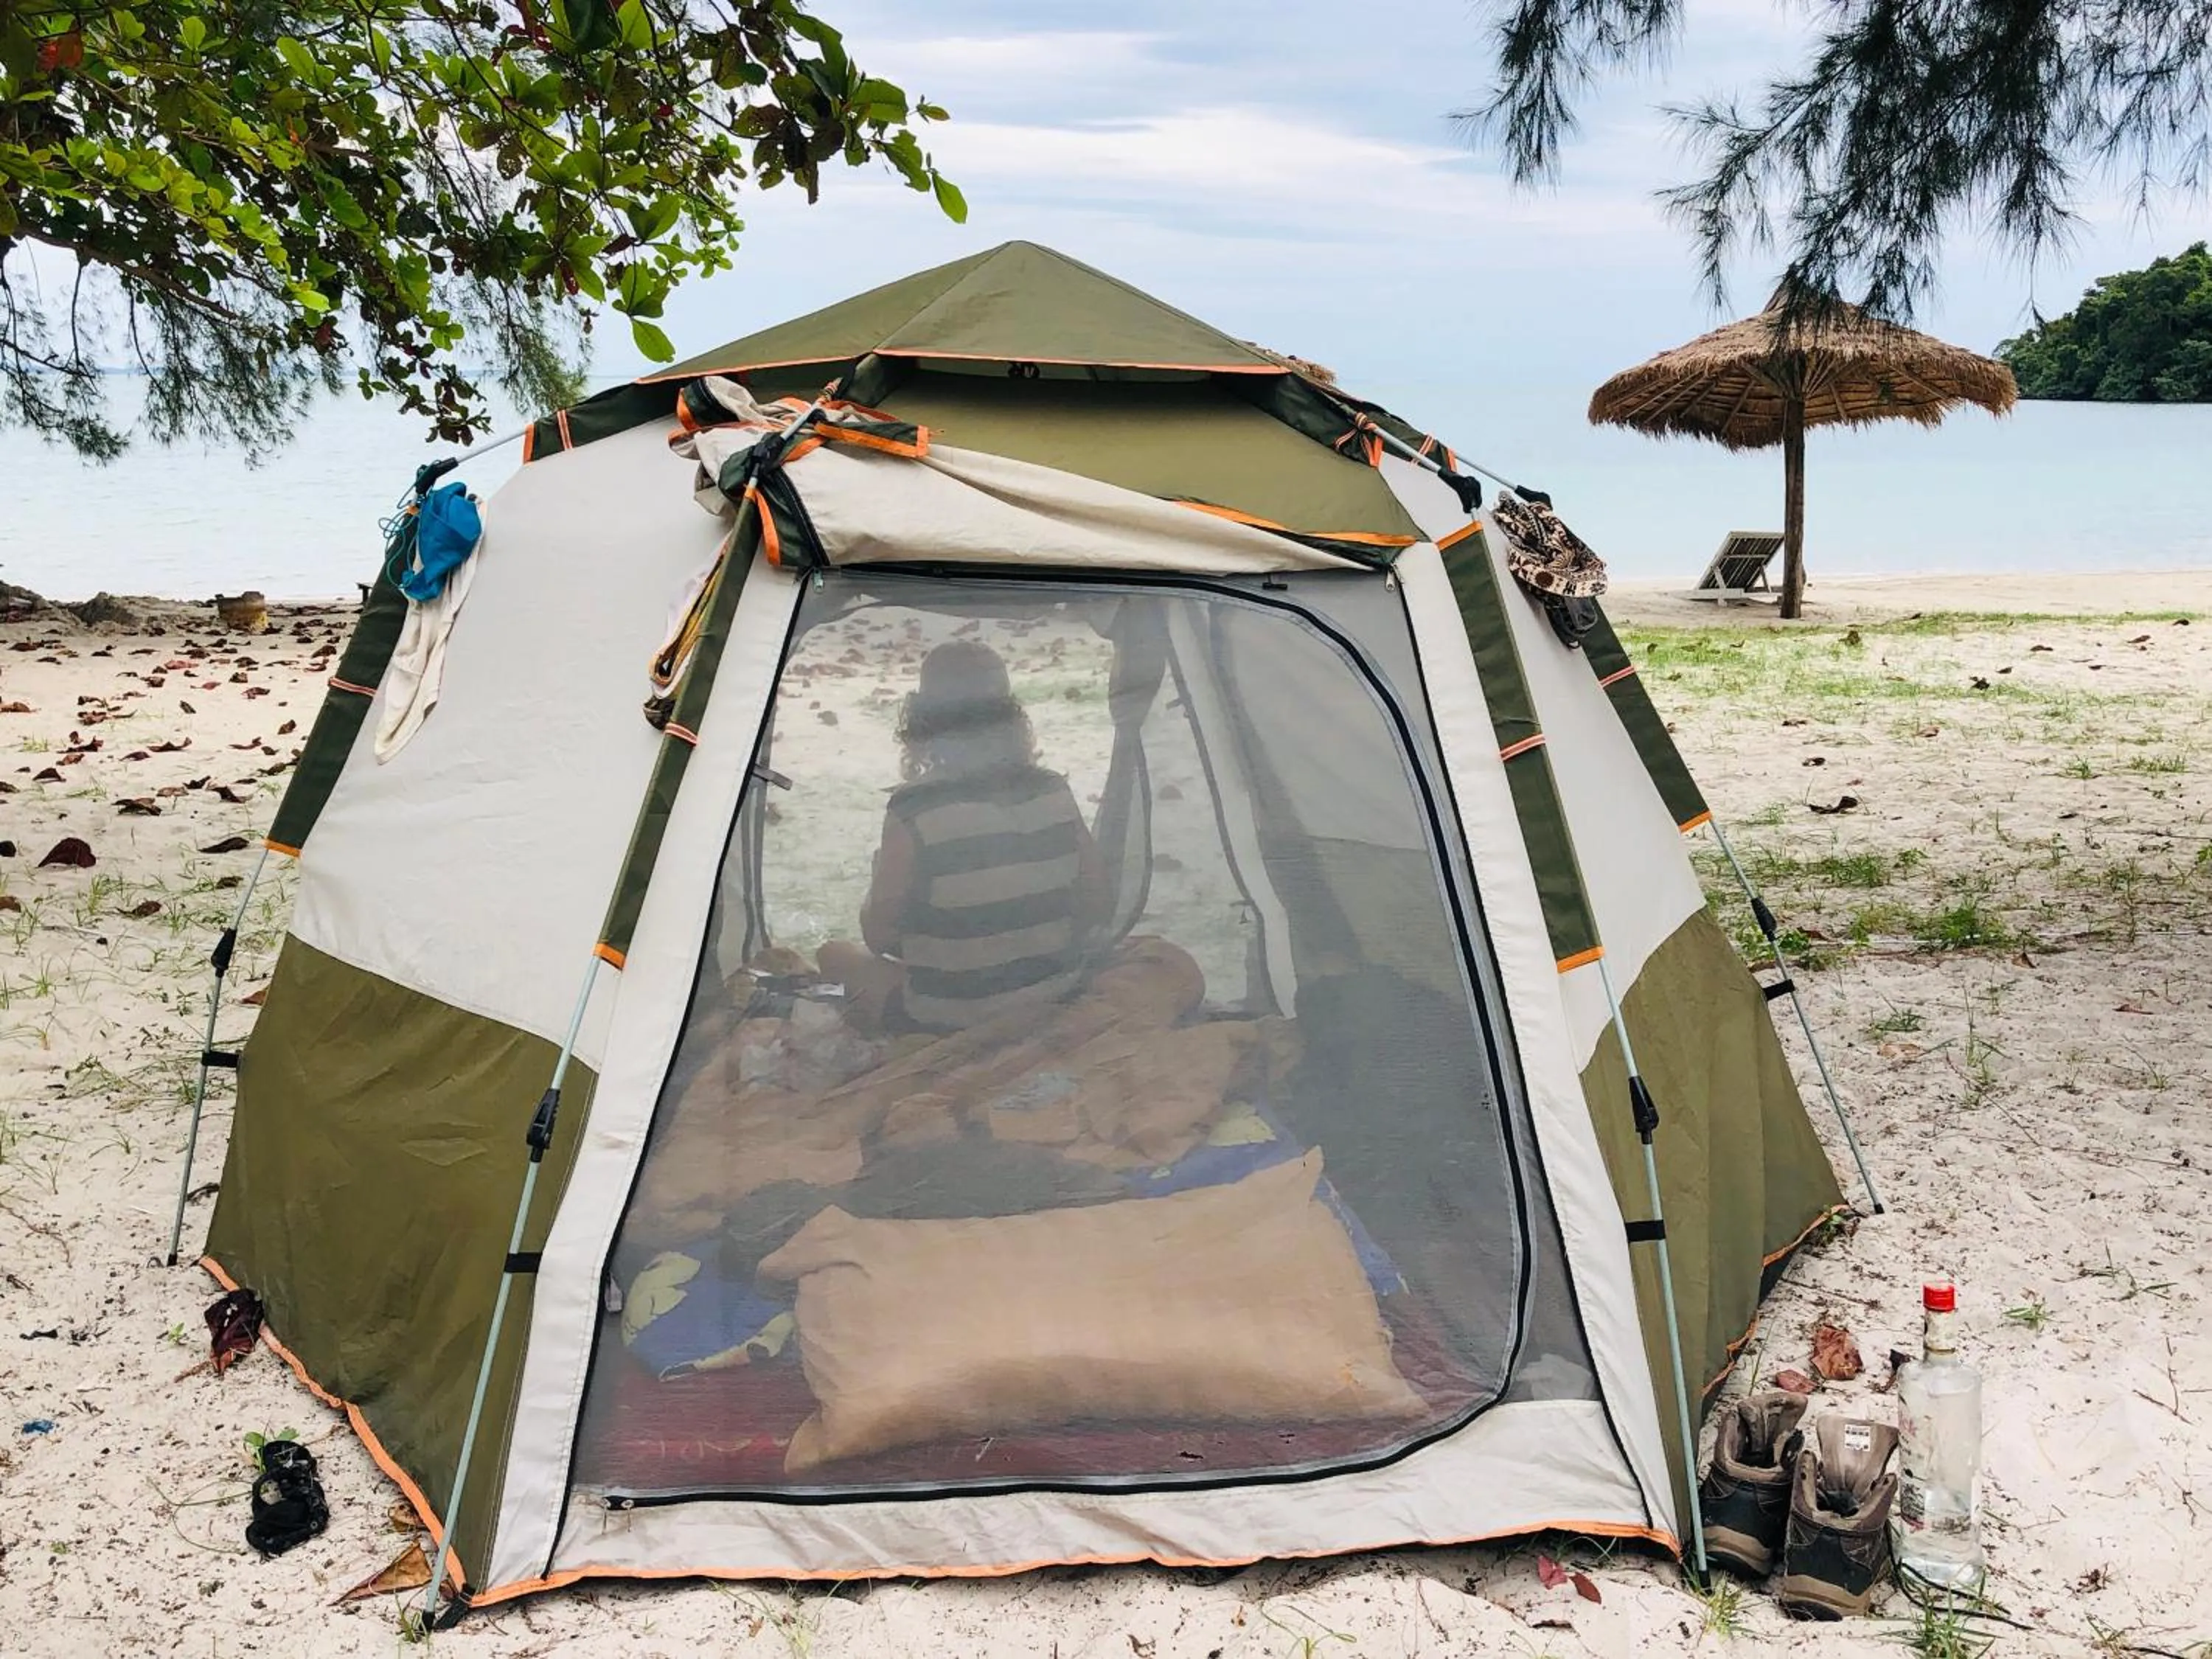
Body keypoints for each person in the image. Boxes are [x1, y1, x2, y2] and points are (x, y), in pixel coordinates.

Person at [820, 639, 1109, 1034]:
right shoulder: (1054, 790)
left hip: (950, 1016)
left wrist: (879, 890)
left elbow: (879, 936)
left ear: (921, 720)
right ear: (1011, 714)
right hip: (1053, 995)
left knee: (833, 955)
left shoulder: (915, 807)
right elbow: (1096, 904)